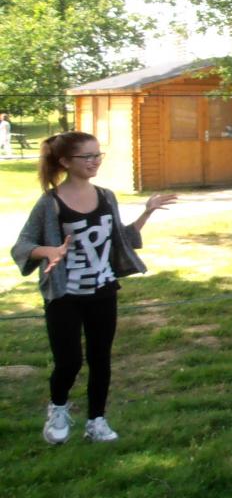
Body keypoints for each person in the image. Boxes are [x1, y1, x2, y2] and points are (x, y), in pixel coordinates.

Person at [12, 132, 177, 443]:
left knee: (101, 358)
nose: (94, 161)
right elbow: (22, 245)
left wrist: (147, 211)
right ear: (64, 162)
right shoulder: (50, 203)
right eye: (86, 156)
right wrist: (47, 252)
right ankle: (58, 408)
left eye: (98, 155)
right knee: (69, 360)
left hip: (102, 292)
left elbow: (119, 239)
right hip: (65, 295)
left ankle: (96, 420)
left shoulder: (106, 196)